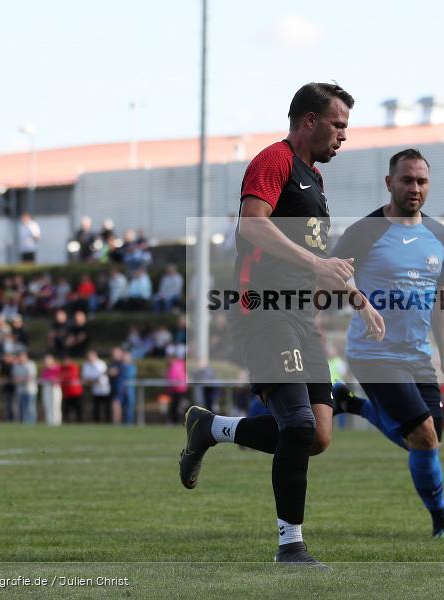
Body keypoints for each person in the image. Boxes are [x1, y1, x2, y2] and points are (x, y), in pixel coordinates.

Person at [179, 82, 360, 566]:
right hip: (262, 310)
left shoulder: (315, 182)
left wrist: (359, 297)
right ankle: (290, 546)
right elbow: (252, 224)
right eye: (337, 124)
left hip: (302, 318)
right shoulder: (274, 160)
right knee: (298, 425)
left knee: (317, 434)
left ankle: (210, 428)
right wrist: (316, 264)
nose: (343, 135)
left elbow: (316, 261)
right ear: (309, 121)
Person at [327, 148, 444, 539]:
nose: (415, 188)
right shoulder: (365, 232)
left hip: (418, 358)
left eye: (421, 181)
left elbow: (441, 299)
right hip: (374, 354)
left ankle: (351, 404)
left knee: (426, 442)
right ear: (390, 183)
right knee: (423, 435)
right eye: (407, 180)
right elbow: (330, 277)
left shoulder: (439, 236)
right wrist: (362, 303)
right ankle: (442, 521)